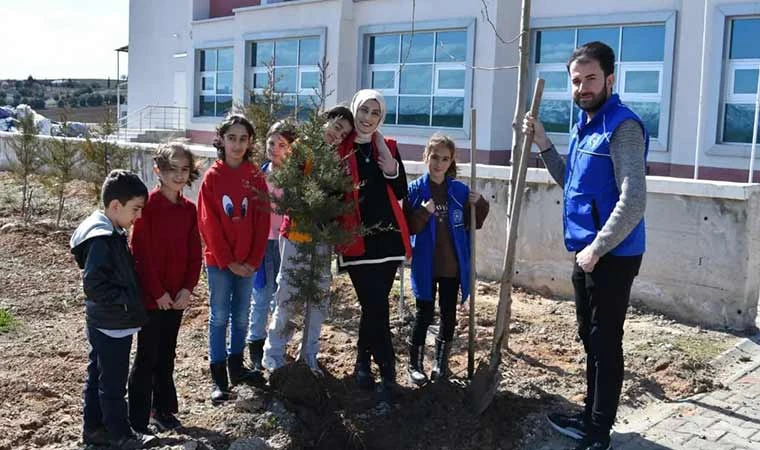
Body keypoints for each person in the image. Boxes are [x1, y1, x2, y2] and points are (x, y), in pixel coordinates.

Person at [523, 41, 648, 450]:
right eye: (576, 81)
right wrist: (543, 143)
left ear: (610, 79)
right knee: (588, 337)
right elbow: (571, 183)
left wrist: (598, 248)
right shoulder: (583, 126)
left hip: (612, 254)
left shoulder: (622, 127)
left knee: (605, 340)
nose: (583, 87)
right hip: (586, 252)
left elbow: (634, 199)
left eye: (591, 78)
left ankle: (598, 432)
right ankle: (589, 413)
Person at [262, 106, 355, 376]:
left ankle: (309, 355)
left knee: (318, 298)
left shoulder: (337, 161)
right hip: (296, 235)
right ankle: (273, 355)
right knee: (288, 295)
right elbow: (291, 189)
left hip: (322, 239)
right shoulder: (300, 150)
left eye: (343, 134)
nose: (337, 136)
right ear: (324, 122)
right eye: (336, 127)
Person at [335, 89, 411, 408]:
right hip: (356, 241)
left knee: (375, 306)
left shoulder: (388, 146)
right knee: (374, 305)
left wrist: (390, 164)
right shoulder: (340, 148)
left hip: (388, 240)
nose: (367, 118)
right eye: (363, 110)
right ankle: (387, 372)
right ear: (354, 110)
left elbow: (402, 189)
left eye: (374, 113)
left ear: (381, 117)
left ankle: (366, 365)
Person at [70, 169, 156, 449]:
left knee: (99, 375)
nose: (138, 217)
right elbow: (94, 284)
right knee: (114, 384)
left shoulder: (111, 230)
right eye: (136, 209)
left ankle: (94, 429)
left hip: (106, 320)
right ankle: (120, 434)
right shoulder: (102, 239)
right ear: (116, 206)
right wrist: (126, 300)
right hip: (111, 323)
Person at [127, 142, 202, 432]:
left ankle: (163, 410)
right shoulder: (148, 207)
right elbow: (141, 254)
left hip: (176, 298)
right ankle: (137, 418)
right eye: (172, 169)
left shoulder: (189, 210)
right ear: (158, 170)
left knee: (167, 353)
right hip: (152, 298)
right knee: (147, 356)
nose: (179, 175)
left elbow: (195, 253)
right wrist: (157, 293)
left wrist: (187, 288)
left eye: (184, 170)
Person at [404, 134, 489, 386]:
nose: (438, 163)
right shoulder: (415, 190)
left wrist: (480, 204)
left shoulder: (459, 191)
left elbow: (476, 222)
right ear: (426, 157)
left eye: (444, 159)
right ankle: (415, 364)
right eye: (434, 157)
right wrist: (424, 212)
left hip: (451, 265)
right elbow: (409, 226)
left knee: (449, 315)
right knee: (424, 313)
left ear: (451, 161)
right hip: (426, 264)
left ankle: (441, 363)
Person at [197, 114, 270, 401]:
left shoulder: (255, 176)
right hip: (219, 263)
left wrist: (252, 259)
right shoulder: (213, 177)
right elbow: (208, 222)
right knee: (219, 317)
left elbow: (262, 220)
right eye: (232, 138)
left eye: (243, 139)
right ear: (221, 140)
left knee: (241, 316)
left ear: (250, 142)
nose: (237, 144)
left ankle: (237, 368)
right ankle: (218, 380)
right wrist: (228, 260)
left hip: (249, 262)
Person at [246, 120, 296, 372]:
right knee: (262, 293)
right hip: (264, 243)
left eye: (282, 145)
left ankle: (278, 345)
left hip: (287, 243)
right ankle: (255, 343)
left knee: (283, 296)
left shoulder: (295, 180)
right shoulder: (258, 176)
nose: (275, 148)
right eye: (271, 143)